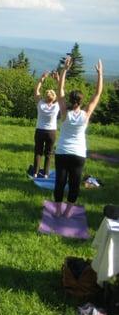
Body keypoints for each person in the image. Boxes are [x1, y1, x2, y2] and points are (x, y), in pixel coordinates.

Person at [54, 57, 103, 218]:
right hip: (78, 155)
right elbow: (97, 93)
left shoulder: (64, 113)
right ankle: (67, 213)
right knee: (74, 185)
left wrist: (65, 69)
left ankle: (58, 211)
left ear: (70, 100)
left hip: (62, 152)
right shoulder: (85, 114)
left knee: (60, 183)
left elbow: (60, 91)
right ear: (81, 101)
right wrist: (100, 74)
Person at [29, 71, 60, 178]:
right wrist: (57, 79)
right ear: (54, 98)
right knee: (48, 154)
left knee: (38, 152)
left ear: (46, 97)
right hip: (51, 132)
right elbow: (62, 92)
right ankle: (46, 174)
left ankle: (36, 173)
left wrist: (42, 78)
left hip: (40, 131)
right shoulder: (57, 106)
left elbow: (36, 90)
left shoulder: (40, 104)